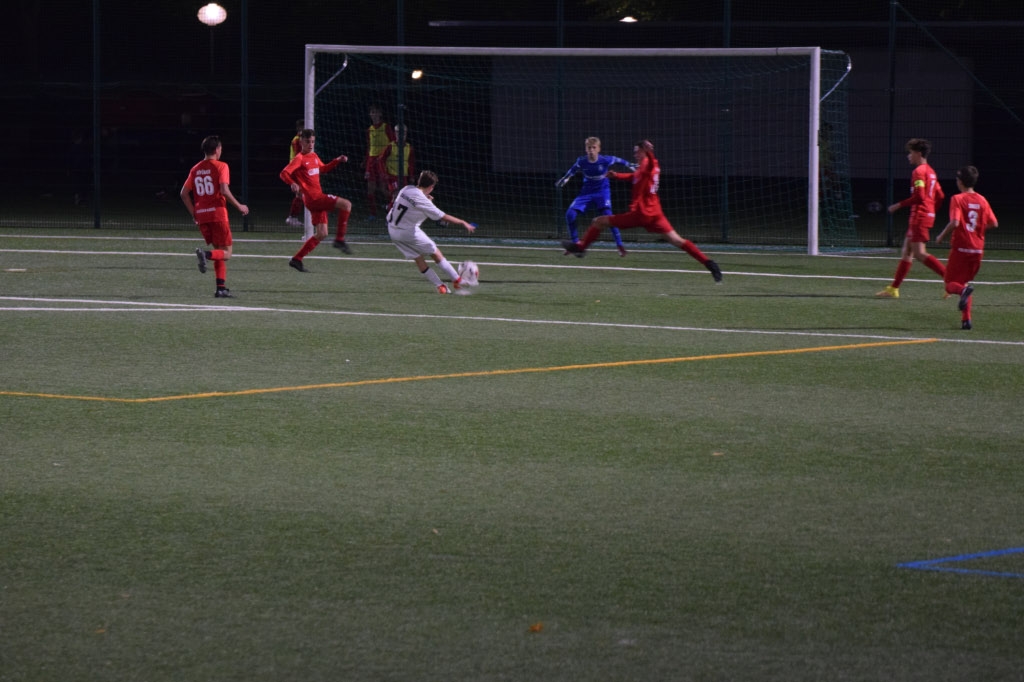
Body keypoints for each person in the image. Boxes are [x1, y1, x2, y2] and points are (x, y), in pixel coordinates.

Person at [562, 140, 722, 283]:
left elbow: (647, 168)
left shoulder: (648, 164)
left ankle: (581, 247)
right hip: (656, 214)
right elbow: (635, 177)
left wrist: (650, 152)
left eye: (637, 152)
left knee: (599, 221)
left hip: (641, 214)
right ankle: (709, 263)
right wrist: (617, 175)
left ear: (644, 152)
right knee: (678, 241)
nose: (634, 154)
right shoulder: (646, 167)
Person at [179, 135, 249, 298]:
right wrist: (239, 206)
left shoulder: (195, 169)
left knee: (219, 251)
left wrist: (194, 214)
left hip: (202, 216)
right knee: (227, 253)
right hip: (217, 214)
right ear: (217, 149)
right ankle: (206, 255)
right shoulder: (221, 166)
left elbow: (183, 194)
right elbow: (224, 190)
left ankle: (220, 288)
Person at [876, 138, 946, 298]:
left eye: (910, 152)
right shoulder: (931, 171)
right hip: (924, 214)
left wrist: (898, 205)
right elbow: (940, 195)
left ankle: (952, 280)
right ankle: (894, 289)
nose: (908, 156)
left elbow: (920, 196)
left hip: (919, 216)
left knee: (919, 253)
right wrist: (932, 210)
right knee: (907, 252)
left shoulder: (919, 172)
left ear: (918, 153)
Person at [386, 170, 476, 294]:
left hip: (392, 230)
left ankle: (440, 286)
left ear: (419, 181)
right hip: (408, 232)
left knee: (418, 258)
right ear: (431, 187)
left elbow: (411, 203)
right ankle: (457, 280)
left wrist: (426, 199)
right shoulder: (424, 201)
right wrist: (462, 222)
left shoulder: (406, 189)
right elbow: (443, 217)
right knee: (436, 254)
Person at [934, 165, 998, 330]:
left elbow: (955, 222)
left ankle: (963, 293)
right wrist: (977, 229)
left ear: (960, 181)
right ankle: (966, 320)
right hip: (977, 250)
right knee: (964, 283)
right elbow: (994, 223)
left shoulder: (958, 199)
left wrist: (941, 236)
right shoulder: (982, 200)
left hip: (961, 248)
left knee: (950, 284)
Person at [280, 128, 353, 272]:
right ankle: (339, 239)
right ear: (301, 142)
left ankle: (296, 259)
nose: (311, 144)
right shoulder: (299, 158)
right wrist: (292, 183)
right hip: (314, 199)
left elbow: (323, 169)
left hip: (316, 199)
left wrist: (337, 160)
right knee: (346, 204)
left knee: (322, 233)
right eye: (308, 142)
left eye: (313, 141)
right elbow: (283, 173)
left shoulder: (313, 156)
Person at [556, 136, 632, 256]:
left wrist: (631, 165)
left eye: (594, 147)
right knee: (570, 214)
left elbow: (619, 160)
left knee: (609, 216)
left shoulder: (605, 160)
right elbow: (572, 171)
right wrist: (564, 180)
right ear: (586, 149)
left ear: (598, 149)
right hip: (586, 192)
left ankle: (620, 245)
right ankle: (575, 244)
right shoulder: (582, 161)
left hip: (602, 192)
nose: (591, 150)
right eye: (589, 148)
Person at [365, 104, 396, 219]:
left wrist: (387, 156)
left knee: (384, 188)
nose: (374, 114)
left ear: (380, 114)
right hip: (372, 161)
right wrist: (367, 165)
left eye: (376, 112)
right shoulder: (369, 130)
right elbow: (369, 148)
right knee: (370, 188)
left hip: (383, 161)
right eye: (372, 112)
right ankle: (373, 213)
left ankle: (393, 208)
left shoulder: (386, 127)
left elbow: (393, 143)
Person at [384, 123, 415, 210]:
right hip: (392, 175)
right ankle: (390, 214)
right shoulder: (390, 146)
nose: (401, 135)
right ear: (395, 133)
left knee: (402, 198)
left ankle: (389, 208)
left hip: (403, 176)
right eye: (398, 132)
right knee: (396, 194)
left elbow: (411, 163)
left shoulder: (409, 148)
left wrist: (411, 175)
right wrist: (384, 173)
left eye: (404, 133)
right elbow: (381, 160)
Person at [285, 119, 306, 229]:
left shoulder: (300, 139)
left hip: (297, 170)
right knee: (300, 194)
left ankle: (293, 218)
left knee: (301, 195)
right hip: (296, 170)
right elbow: (299, 156)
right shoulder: (297, 140)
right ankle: (292, 218)